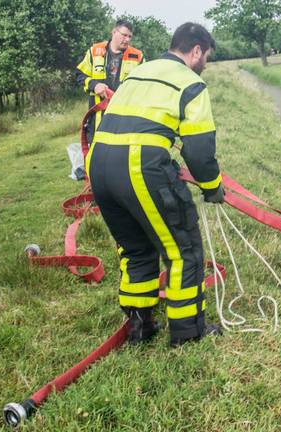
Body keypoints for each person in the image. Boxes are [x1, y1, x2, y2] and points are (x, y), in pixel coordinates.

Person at [87, 23, 223, 347]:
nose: (205, 63)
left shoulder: (139, 72)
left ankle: (139, 328)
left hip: (99, 164)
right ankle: (188, 333)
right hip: (138, 166)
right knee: (184, 252)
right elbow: (200, 152)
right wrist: (212, 186)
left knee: (136, 250)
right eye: (206, 57)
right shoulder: (192, 83)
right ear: (195, 51)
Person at [76, 19, 144, 149]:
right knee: (96, 158)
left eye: (130, 36)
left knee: (120, 156)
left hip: (124, 119)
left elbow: (145, 86)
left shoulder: (138, 56)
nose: (127, 39)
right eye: (124, 35)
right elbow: (80, 74)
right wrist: (94, 85)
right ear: (114, 32)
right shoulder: (95, 51)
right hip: (97, 119)